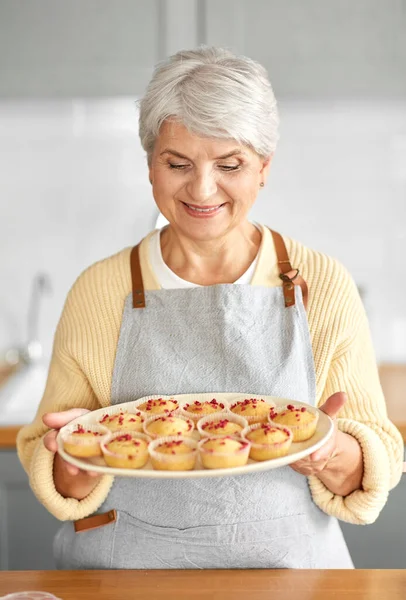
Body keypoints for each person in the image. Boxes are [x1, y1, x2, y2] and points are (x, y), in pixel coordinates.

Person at [17, 46, 403, 570]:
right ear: (150, 164)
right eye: (178, 163)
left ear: (263, 168)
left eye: (230, 164)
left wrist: (332, 453)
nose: (202, 189)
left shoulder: (322, 284)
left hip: (290, 576)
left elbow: (375, 451)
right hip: (125, 576)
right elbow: (54, 460)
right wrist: (76, 459)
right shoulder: (99, 291)